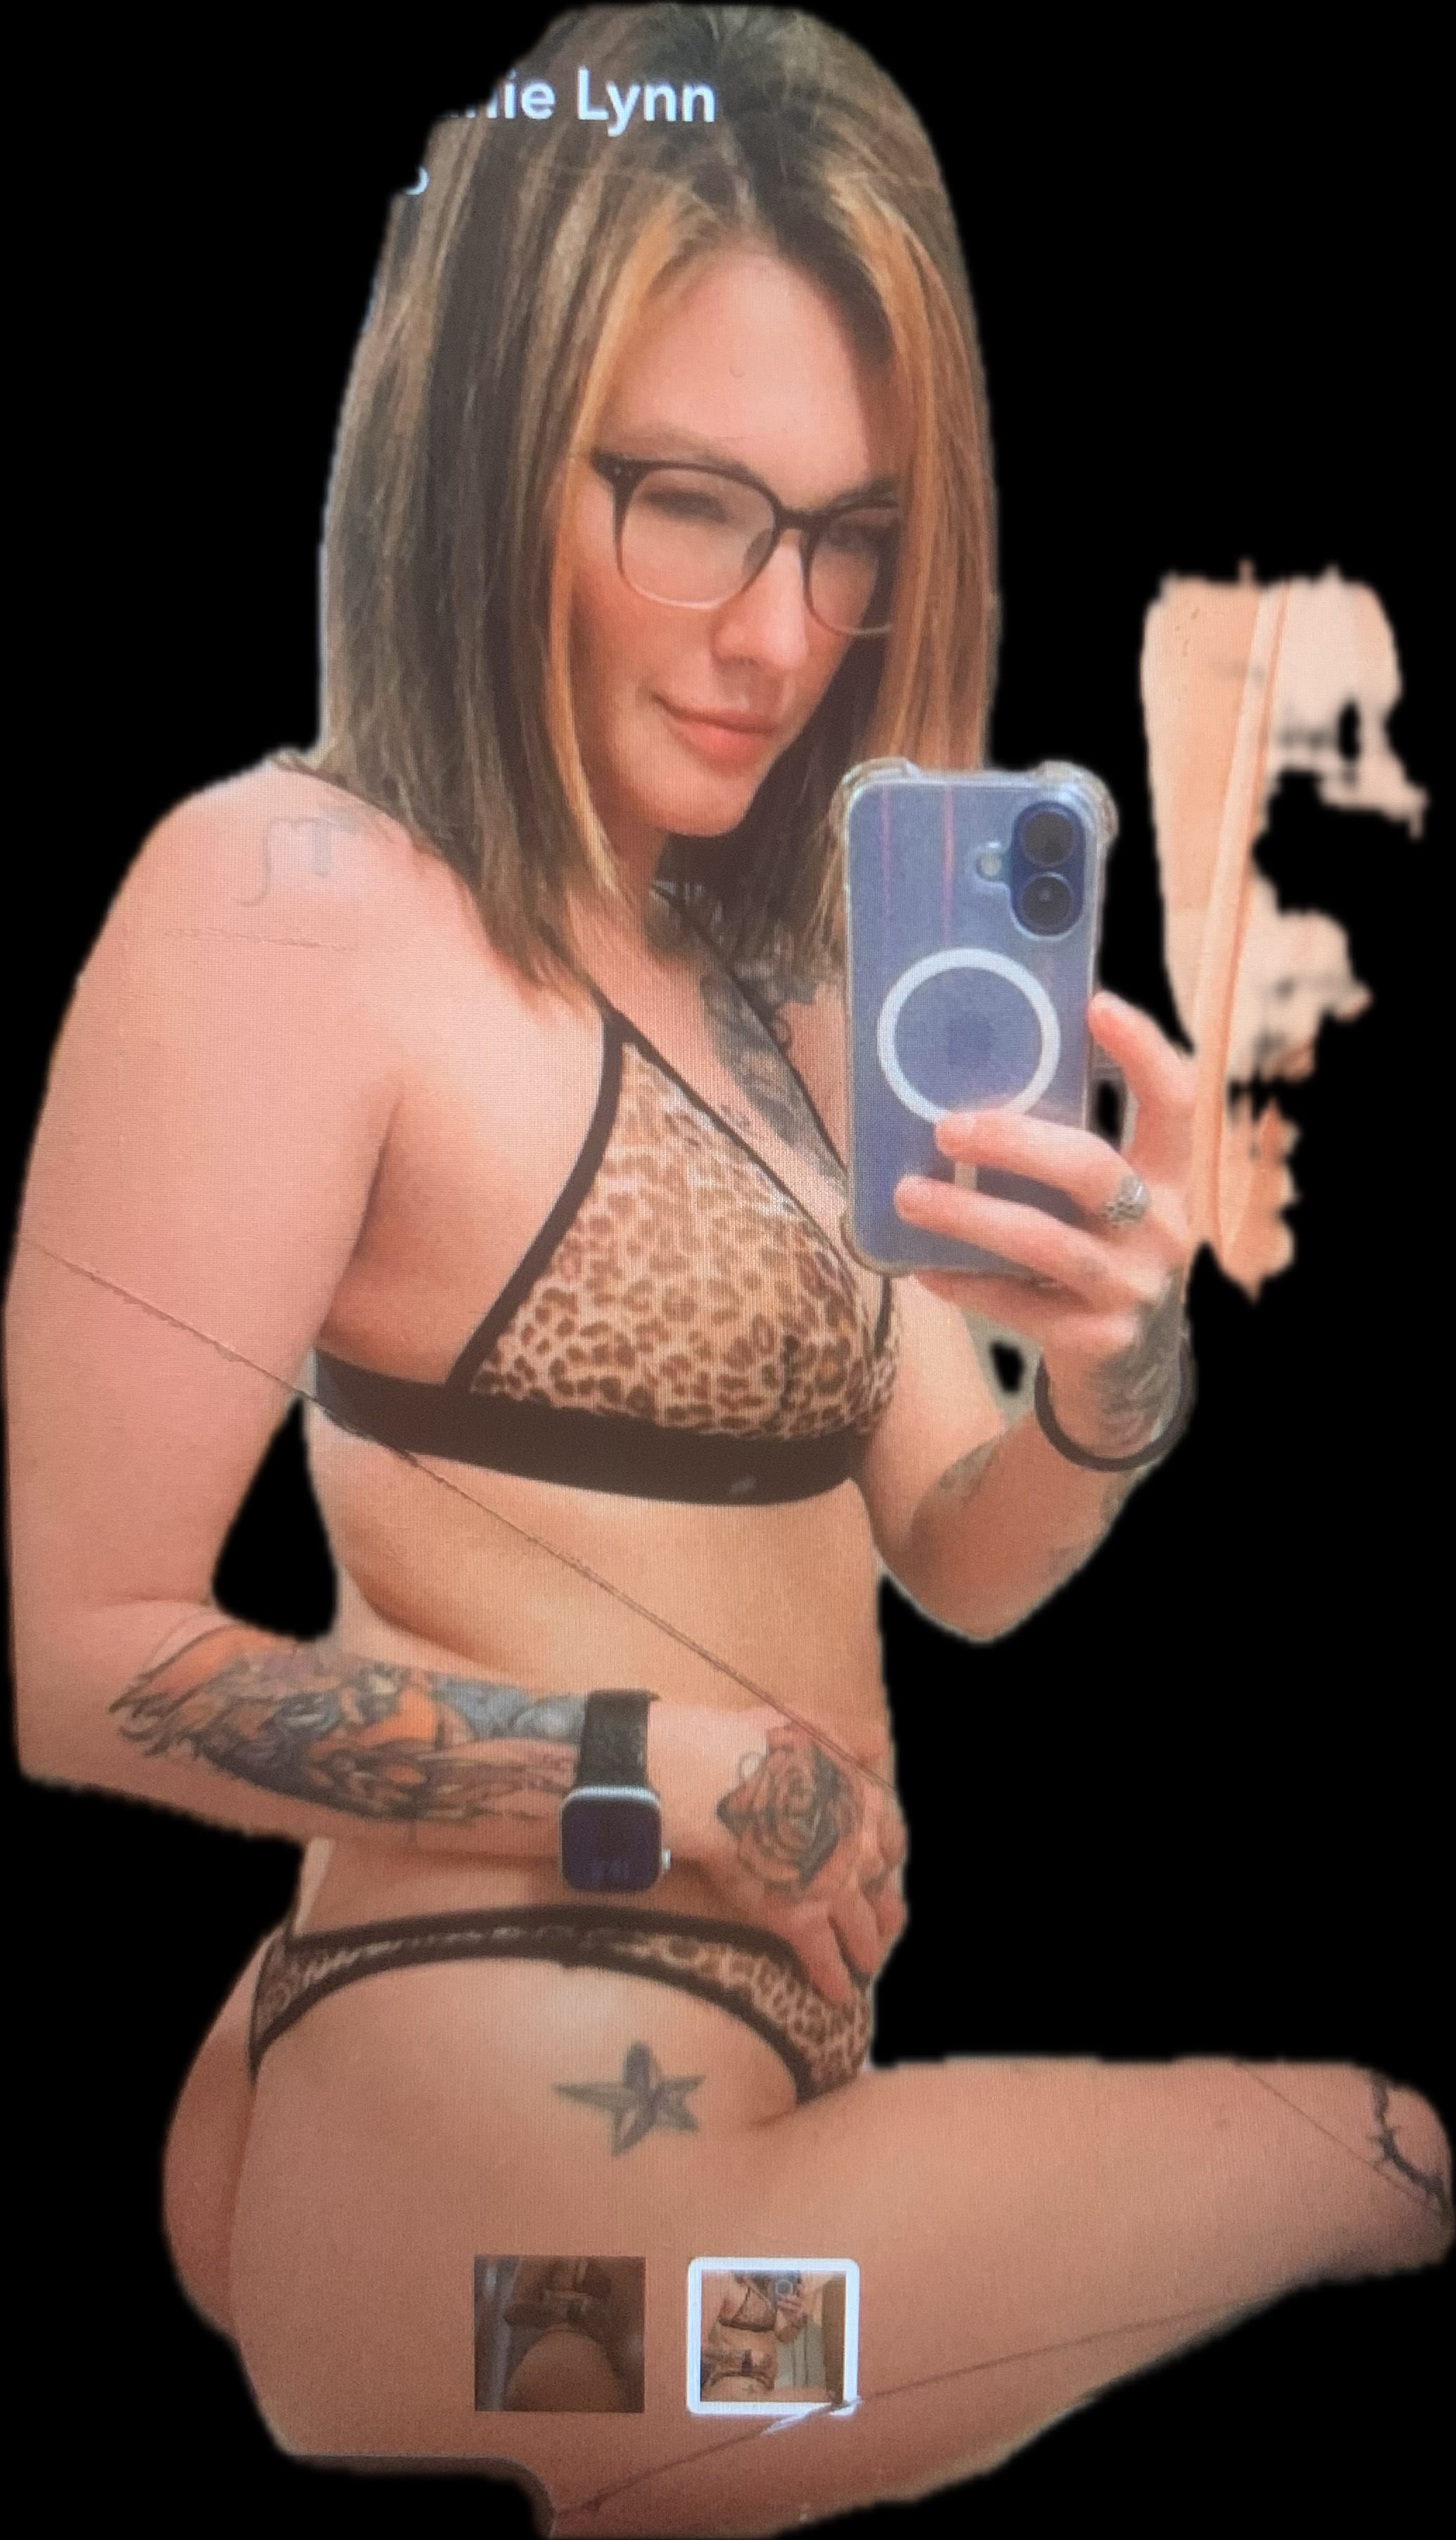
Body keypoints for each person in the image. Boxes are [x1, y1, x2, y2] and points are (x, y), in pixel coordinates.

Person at [7, 8, 1448, 2533]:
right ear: (488, 453)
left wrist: (1114, 1381)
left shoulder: (796, 991)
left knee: (1347, 2185)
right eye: (690, 505)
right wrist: (643, 1780)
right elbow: (86, 1661)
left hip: (714, 2118)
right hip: (479, 2198)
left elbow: (958, 1556)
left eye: (850, 534)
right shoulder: (286, 903)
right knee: (1368, 2157)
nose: (786, 634)